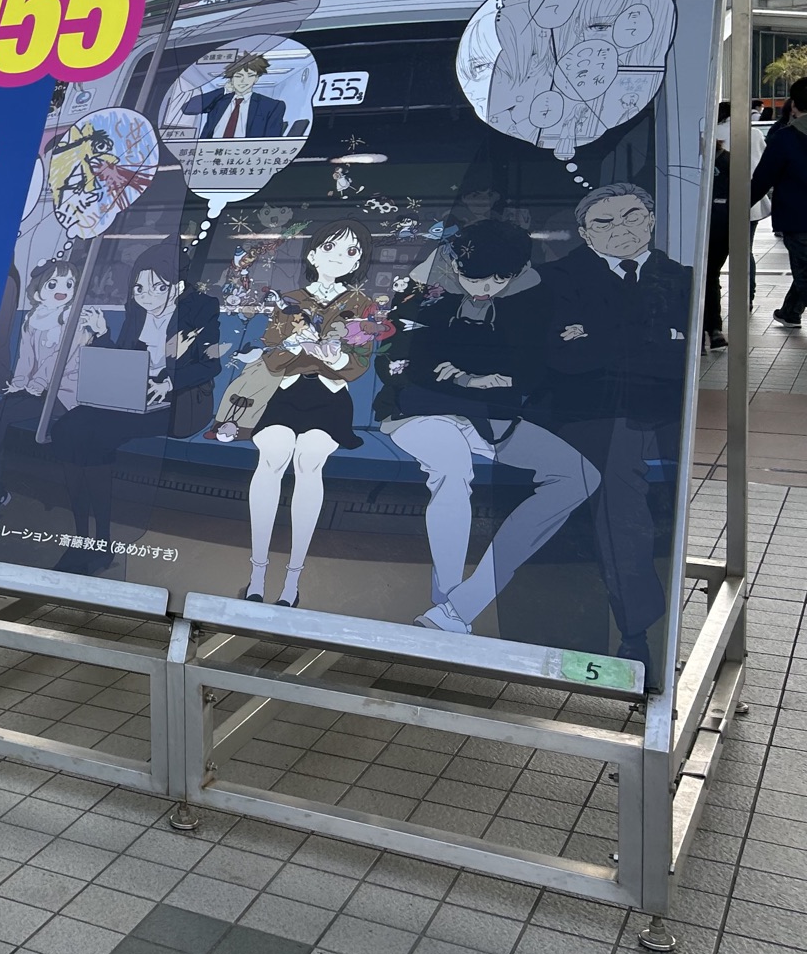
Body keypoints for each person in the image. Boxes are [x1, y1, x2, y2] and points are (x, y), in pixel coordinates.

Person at [377, 220, 599, 634]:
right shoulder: (423, 290)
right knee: (452, 470)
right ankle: (446, 604)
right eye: (475, 277)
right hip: (419, 410)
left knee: (580, 476)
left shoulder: (531, 295)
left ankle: (460, 606)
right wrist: (471, 378)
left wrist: (467, 374)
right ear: (455, 265)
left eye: (499, 279)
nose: (485, 288)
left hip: (491, 417)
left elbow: (530, 370)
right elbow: (401, 364)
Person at [540, 183, 691, 683]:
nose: (620, 229)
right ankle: (636, 629)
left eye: (631, 216)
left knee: (683, 474)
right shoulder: (558, 278)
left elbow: (691, 356)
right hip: (594, 412)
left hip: (665, 407)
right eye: (603, 223)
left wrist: (600, 335)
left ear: (651, 219)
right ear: (585, 235)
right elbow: (564, 358)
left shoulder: (683, 277)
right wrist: (650, 336)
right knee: (617, 493)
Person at [243, 221, 382, 607]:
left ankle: (292, 579)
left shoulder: (363, 306)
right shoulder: (289, 300)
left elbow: (358, 365)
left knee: (308, 460)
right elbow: (272, 359)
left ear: (357, 262)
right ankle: (257, 573)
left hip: (331, 397)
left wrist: (333, 357)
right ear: (314, 254)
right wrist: (295, 345)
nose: (339, 257)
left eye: (351, 251)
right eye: (331, 247)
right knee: (272, 454)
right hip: (288, 393)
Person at [52, 247, 222, 544]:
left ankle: (101, 538)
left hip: (179, 402)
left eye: (158, 287)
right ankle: (82, 533)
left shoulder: (201, 309)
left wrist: (169, 383)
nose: (147, 296)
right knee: (66, 428)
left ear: (178, 287)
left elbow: (211, 364)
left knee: (96, 436)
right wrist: (102, 334)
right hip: (133, 396)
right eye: (139, 288)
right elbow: (124, 361)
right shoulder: (136, 311)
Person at [0, 256, 106, 523]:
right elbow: (26, 358)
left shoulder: (73, 321)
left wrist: (35, 385)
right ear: (38, 290)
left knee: (0, 417)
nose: (62, 290)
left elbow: (59, 362)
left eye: (69, 284)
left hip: (63, 393)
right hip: (35, 390)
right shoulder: (33, 318)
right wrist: (19, 382)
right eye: (53, 284)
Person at [751, 76, 807, 331]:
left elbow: (763, 178)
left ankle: (790, 312)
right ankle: (790, 312)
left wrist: (737, 207)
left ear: (793, 105)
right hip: (798, 219)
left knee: (804, 273)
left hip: (798, 219)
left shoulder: (785, 138)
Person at [705, 102, 754, 346]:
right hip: (722, 227)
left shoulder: (691, 161)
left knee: (700, 276)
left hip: (704, 229)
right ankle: (714, 329)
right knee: (711, 275)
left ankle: (703, 331)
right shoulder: (728, 160)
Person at [182, 52, 290, 140]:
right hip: (209, 152)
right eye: (238, 76)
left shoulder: (272, 106)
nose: (244, 81)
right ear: (231, 78)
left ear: (256, 78)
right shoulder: (219, 100)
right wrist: (223, 90)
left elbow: (272, 141)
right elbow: (187, 108)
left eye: (250, 76)